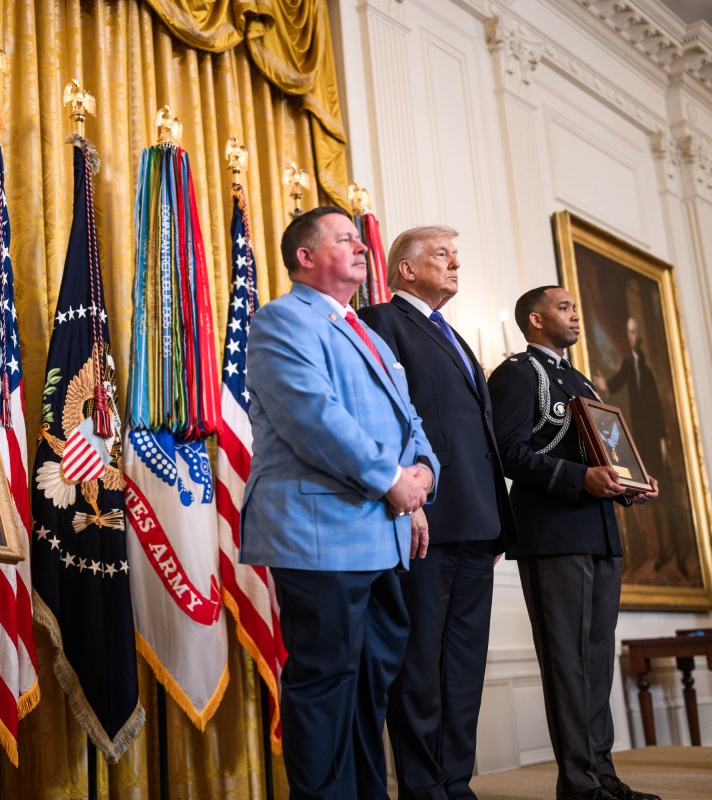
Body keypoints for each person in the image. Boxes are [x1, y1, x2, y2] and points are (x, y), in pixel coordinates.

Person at [240, 206, 440, 799]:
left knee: (369, 689)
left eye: (360, 239)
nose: (361, 248)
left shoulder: (369, 334)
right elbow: (314, 418)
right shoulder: (281, 320)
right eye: (345, 239)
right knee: (325, 685)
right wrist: (393, 481)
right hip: (319, 533)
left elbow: (412, 423)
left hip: (383, 535)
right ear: (306, 257)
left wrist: (424, 475)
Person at [357, 226, 516, 800]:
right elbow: (385, 416)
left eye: (456, 255)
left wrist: (498, 514)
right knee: (420, 665)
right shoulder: (381, 322)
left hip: (478, 524)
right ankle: (425, 789)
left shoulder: (456, 338)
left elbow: (480, 437)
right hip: (424, 520)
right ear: (405, 269)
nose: (455, 265)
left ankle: (456, 784)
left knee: (464, 667)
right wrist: (411, 500)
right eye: (442, 256)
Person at [487, 286, 661, 800]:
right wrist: (577, 481)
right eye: (564, 308)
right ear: (535, 320)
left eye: (577, 307)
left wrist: (630, 486)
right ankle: (581, 785)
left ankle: (603, 775)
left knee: (595, 662)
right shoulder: (518, 374)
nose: (576, 315)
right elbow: (508, 452)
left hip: (598, 530)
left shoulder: (580, 379)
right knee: (568, 662)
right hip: (554, 531)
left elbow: (601, 451)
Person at [592, 318, 686, 577]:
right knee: (645, 494)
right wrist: (603, 384)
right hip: (638, 439)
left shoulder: (645, 367)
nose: (631, 336)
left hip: (654, 439)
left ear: (639, 336)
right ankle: (657, 551)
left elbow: (655, 406)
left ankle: (670, 551)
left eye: (634, 331)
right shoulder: (628, 364)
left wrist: (664, 440)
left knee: (662, 497)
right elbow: (616, 384)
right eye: (628, 332)